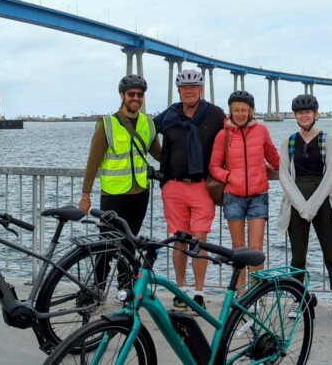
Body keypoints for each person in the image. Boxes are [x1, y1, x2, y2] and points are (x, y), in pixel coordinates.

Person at [78, 75, 161, 292]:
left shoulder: (148, 124)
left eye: (139, 95)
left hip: (140, 194)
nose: (136, 98)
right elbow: (93, 162)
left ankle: (125, 289)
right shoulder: (107, 125)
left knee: (130, 245)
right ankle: (96, 290)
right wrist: (85, 195)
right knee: (106, 246)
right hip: (113, 196)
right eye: (131, 94)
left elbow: (160, 154)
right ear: (122, 96)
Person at [154, 69, 226, 312]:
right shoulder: (170, 114)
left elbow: (233, 135)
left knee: (199, 239)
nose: (189, 91)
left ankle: (199, 291)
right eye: (184, 88)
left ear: (201, 89)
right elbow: (146, 132)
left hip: (202, 186)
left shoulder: (215, 114)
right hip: (173, 185)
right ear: (179, 91)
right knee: (178, 240)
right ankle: (180, 289)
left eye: (193, 87)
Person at [277, 94, 332, 319]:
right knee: (298, 255)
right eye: (300, 113)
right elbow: (284, 176)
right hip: (296, 202)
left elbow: (330, 177)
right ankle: (299, 298)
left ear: (316, 114)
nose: (304, 115)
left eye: (308, 112)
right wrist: (301, 206)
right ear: (295, 116)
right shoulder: (289, 142)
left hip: (323, 201)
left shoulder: (327, 140)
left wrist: (311, 207)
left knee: (331, 251)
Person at [209, 90, 279, 291]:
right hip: (233, 197)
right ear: (230, 111)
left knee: (256, 249)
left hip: (258, 195)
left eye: (244, 110)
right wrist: (228, 177)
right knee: (238, 249)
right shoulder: (223, 135)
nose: (240, 113)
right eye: (236, 110)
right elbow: (214, 166)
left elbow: (274, 158)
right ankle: (240, 293)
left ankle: (256, 293)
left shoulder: (262, 131)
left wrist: (292, 171)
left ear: (251, 111)